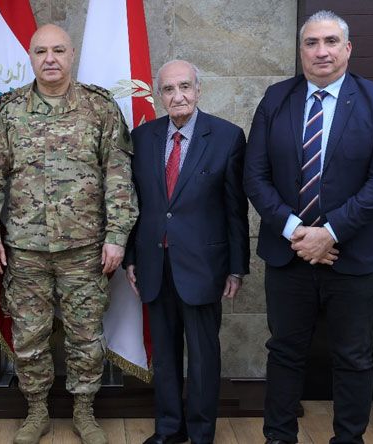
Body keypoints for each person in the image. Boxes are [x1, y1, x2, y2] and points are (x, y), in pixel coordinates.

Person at [0, 23, 138, 444]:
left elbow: (119, 176)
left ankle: (84, 412)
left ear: (71, 54)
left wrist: (117, 235)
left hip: (85, 248)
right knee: (29, 335)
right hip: (25, 249)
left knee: (86, 335)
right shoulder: (8, 110)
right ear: (30, 56)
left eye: (58, 50)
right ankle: (36, 411)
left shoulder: (100, 107)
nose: (50, 59)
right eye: (41, 51)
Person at [244, 10, 373, 444]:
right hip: (289, 254)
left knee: (354, 358)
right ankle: (279, 437)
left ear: (347, 49)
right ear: (301, 51)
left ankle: (348, 439)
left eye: (331, 41)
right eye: (311, 43)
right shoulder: (276, 98)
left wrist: (329, 234)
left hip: (353, 257)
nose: (321, 51)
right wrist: (297, 231)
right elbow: (254, 176)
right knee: (284, 353)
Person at [124, 60, 249, 444]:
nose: (177, 96)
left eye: (185, 87)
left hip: (204, 267)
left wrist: (237, 267)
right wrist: (131, 257)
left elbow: (235, 208)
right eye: (168, 89)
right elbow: (135, 204)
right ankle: (168, 429)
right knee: (164, 356)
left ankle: (200, 432)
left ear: (198, 89)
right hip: (154, 263)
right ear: (158, 95)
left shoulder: (227, 136)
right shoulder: (142, 137)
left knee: (203, 356)